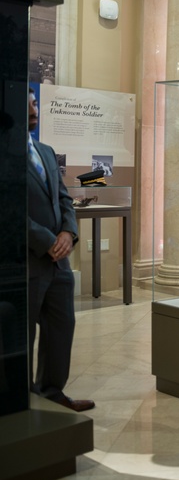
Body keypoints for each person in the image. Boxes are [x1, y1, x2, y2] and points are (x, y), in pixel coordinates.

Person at [26, 91, 94, 412]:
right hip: (26, 263)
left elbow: (64, 199)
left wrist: (69, 232)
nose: (33, 108)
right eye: (27, 103)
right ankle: (20, 400)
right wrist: (45, 240)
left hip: (59, 265)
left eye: (35, 102)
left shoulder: (46, 151)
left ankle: (52, 393)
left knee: (60, 330)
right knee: (21, 337)